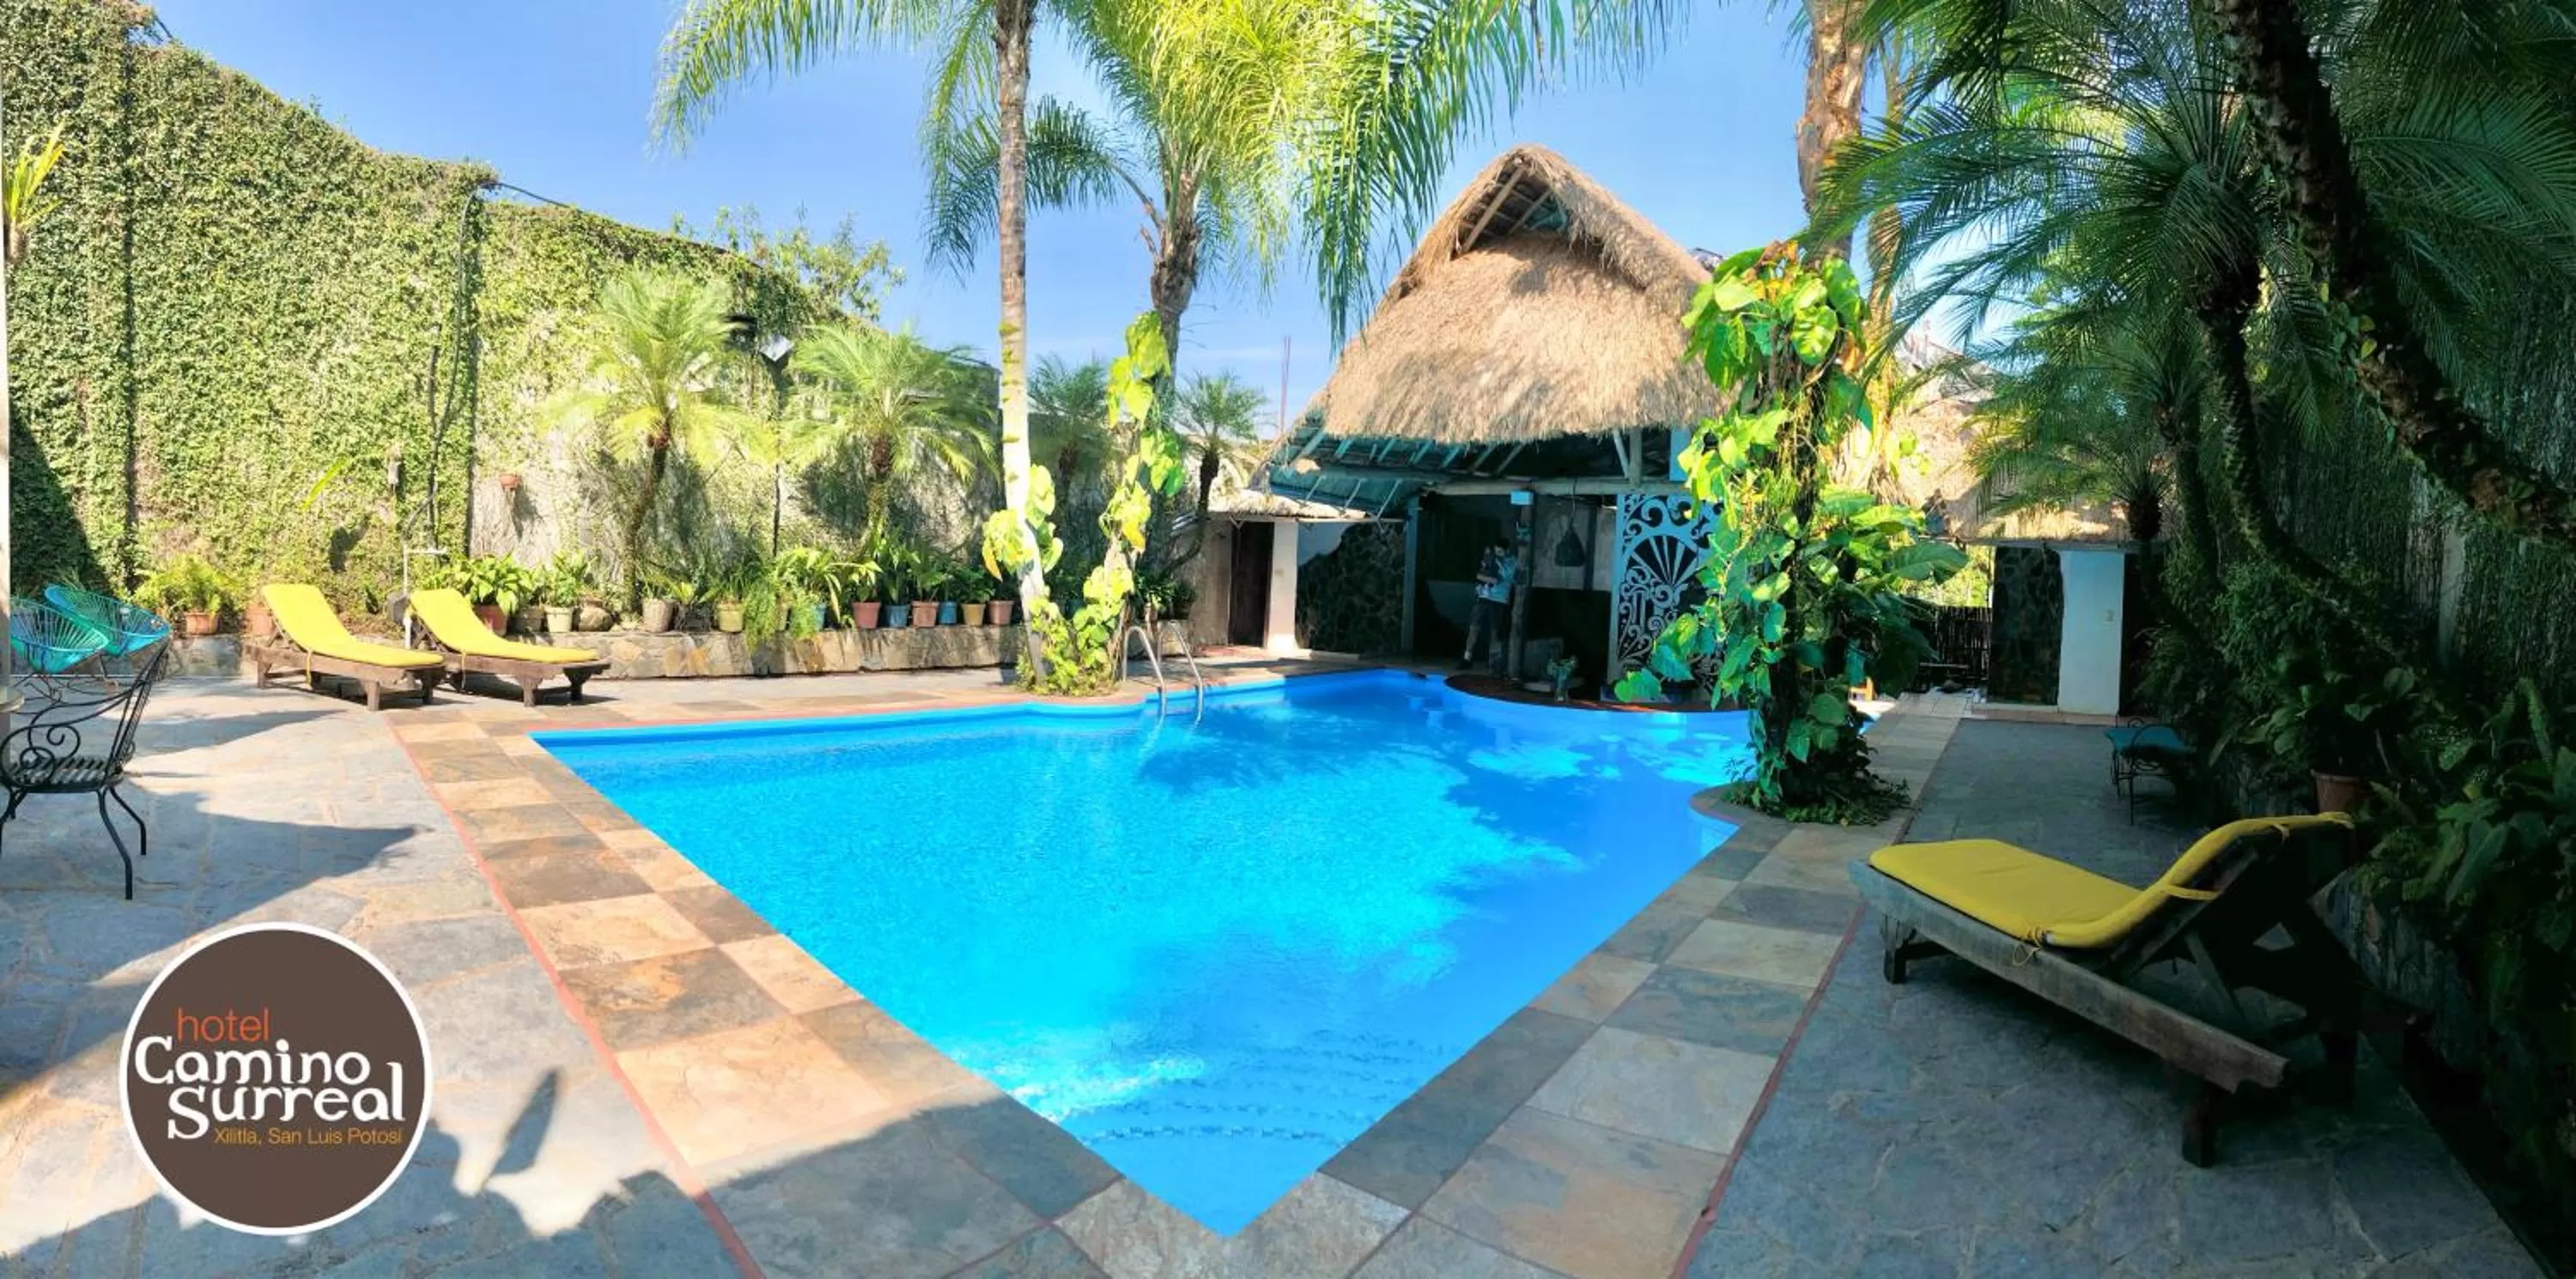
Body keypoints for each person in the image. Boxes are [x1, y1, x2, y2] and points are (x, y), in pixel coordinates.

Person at [1461, 538, 1517, 671]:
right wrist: (1487, 576)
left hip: (1499, 600)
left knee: (1495, 632)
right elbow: (1480, 575)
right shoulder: (1491, 559)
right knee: (1474, 627)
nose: (1498, 553)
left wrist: (1498, 568)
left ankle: (1493, 662)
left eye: (1500, 551)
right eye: (1496, 551)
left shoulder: (1513, 562)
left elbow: (1507, 578)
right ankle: (1466, 658)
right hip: (1484, 597)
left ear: (1507, 550)